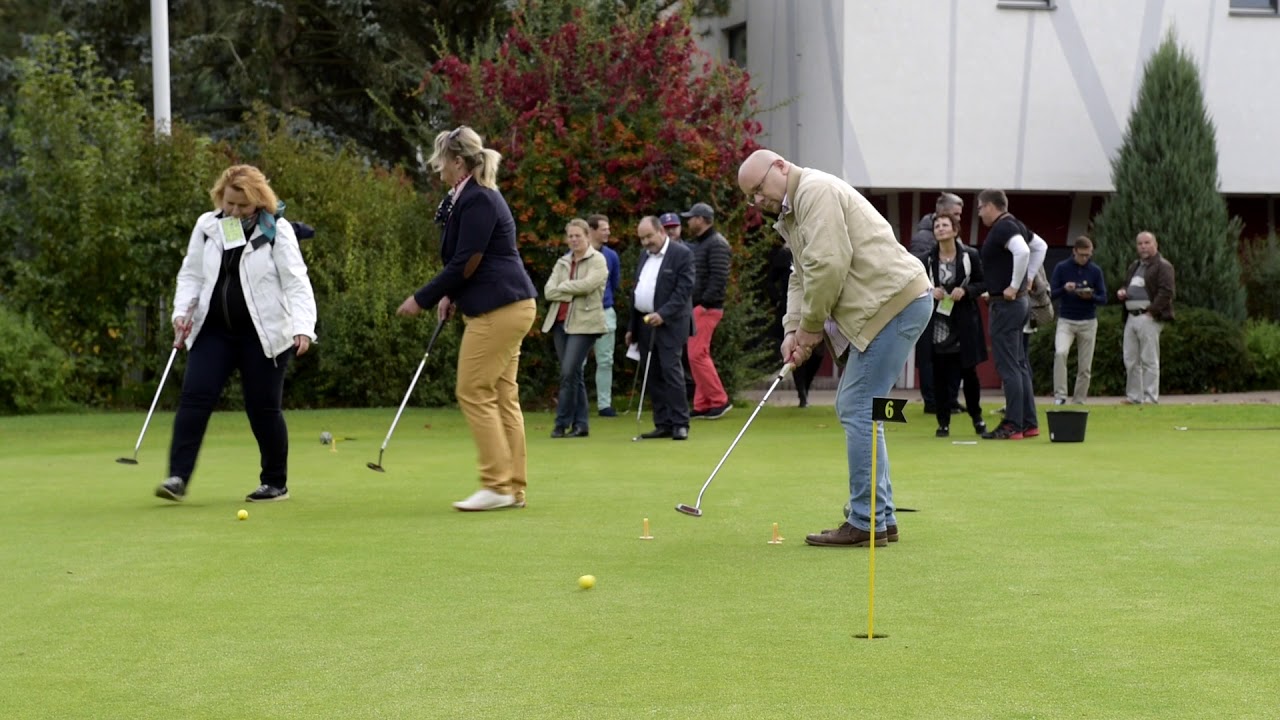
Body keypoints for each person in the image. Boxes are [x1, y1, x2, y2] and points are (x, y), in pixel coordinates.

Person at [738, 149, 932, 548]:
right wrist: (793, 328)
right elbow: (800, 274)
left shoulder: (815, 191)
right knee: (866, 409)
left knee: (856, 406)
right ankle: (881, 517)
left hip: (893, 303)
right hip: (891, 305)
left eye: (758, 189)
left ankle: (867, 521)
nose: (757, 200)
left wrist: (811, 328)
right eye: (751, 196)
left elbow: (829, 264)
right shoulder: (792, 215)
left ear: (780, 166)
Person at [155, 164, 317, 504]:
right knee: (194, 398)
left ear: (258, 202)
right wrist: (181, 313)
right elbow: (192, 275)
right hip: (213, 331)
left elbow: (296, 282)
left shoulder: (278, 231)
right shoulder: (207, 226)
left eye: (242, 206)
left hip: (265, 335)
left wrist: (304, 328)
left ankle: (274, 482)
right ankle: (177, 477)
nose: (233, 211)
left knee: (262, 408)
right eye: (229, 203)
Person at [396, 126, 538, 512]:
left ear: (458, 161)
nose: (437, 168)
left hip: (499, 309)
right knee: (503, 396)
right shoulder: (467, 198)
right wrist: (450, 295)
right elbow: (468, 262)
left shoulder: (478, 199)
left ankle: (497, 484)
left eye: (441, 160)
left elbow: (468, 260)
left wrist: (422, 298)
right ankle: (512, 488)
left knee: (473, 390)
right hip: (509, 306)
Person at [624, 216, 696, 440]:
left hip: (671, 324)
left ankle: (680, 423)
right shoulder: (643, 256)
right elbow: (638, 293)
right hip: (645, 323)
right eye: (642, 238)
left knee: (671, 371)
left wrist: (663, 314)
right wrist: (632, 328)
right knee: (652, 373)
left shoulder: (681, 254)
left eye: (649, 236)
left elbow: (683, 291)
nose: (645, 242)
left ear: (661, 232)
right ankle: (663, 422)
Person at [977, 189, 1037, 440]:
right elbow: (1040, 246)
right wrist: (1029, 278)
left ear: (991, 206)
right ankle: (1028, 422)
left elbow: (1023, 252)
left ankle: (1012, 424)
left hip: (1007, 305)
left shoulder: (1003, 228)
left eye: (980, 207)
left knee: (1009, 366)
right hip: (1016, 304)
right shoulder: (1017, 225)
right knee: (1020, 364)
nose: (979, 213)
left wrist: (1014, 285)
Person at [923, 214, 988, 437]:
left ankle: (977, 418)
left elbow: (982, 283)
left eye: (945, 225)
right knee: (940, 375)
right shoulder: (928, 259)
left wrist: (967, 291)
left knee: (969, 374)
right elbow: (916, 286)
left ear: (955, 230)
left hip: (964, 323)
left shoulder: (970, 255)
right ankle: (943, 422)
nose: (940, 229)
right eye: (937, 226)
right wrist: (932, 292)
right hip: (938, 324)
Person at [542, 218, 607, 438]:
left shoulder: (597, 260)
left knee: (568, 371)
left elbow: (589, 285)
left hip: (585, 324)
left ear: (587, 236)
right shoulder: (562, 262)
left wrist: (564, 288)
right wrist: (571, 290)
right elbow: (548, 291)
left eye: (578, 235)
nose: (573, 240)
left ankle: (561, 423)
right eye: (570, 236)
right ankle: (581, 425)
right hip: (560, 323)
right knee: (574, 374)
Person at [910, 193, 966, 415]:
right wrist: (930, 290)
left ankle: (949, 399)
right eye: (955, 214)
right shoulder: (923, 238)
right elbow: (913, 269)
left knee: (952, 354)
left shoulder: (957, 240)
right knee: (928, 356)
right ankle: (932, 402)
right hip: (930, 306)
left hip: (951, 307)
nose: (958, 219)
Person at [682, 202, 733, 420]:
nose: (688, 221)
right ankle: (703, 404)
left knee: (697, 354)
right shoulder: (703, 243)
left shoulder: (716, 244)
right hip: (700, 306)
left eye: (691, 218)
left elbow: (719, 278)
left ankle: (719, 400)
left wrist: (703, 304)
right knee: (697, 354)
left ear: (701, 219)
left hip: (707, 307)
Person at [1117, 231, 1175, 404]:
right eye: (1140, 243)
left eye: (1147, 243)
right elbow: (1130, 285)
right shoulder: (1135, 266)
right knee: (1130, 359)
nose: (1143, 246)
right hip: (1131, 317)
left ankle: (1150, 397)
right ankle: (1134, 397)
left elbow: (1167, 292)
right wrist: (1123, 292)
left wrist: (1152, 311)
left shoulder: (1163, 266)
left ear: (1155, 244)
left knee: (1149, 358)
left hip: (1148, 316)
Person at [1049, 236, 1107, 404]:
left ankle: (1079, 399)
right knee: (1060, 353)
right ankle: (1060, 396)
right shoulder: (1062, 268)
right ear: (1074, 251)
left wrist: (1090, 296)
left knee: (1085, 365)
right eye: (1082, 255)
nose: (1084, 259)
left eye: (1088, 255)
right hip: (1066, 320)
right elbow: (1051, 294)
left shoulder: (1095, 271)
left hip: (1088, 321)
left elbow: (1103, 298)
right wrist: (1064, 289)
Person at [585, 214, 622, 417]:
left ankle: (604, 405)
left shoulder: (611, 256)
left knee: (605, 360)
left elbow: (614, 283)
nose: (608, 232)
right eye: (604, 228)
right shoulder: (577, 254)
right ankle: (576, 403)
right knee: (578, 361)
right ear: (591, 231)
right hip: (583, 313)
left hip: (605, 311)